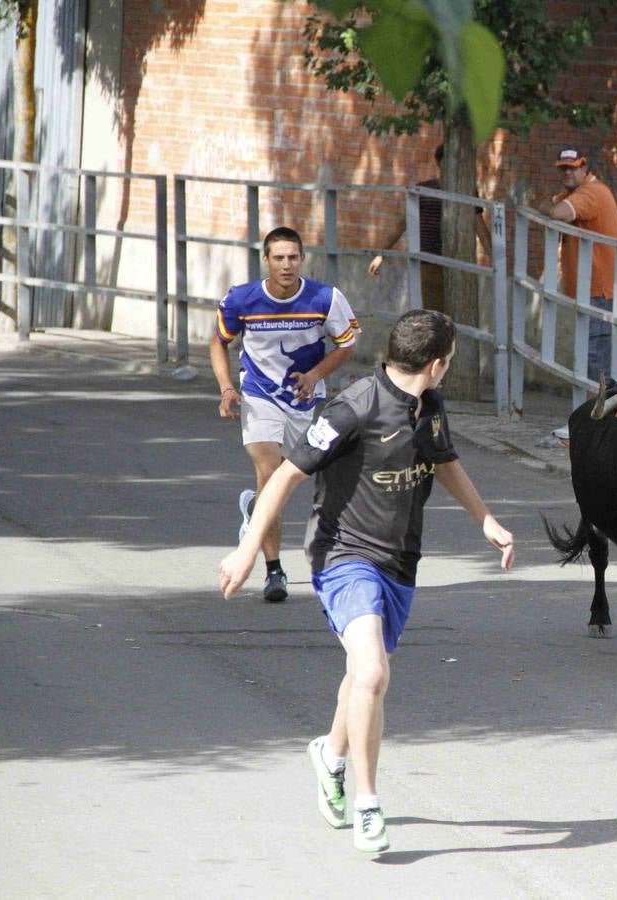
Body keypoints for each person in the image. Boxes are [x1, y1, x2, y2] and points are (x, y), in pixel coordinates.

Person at [217, 310, 516, 854]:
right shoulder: (352, 409)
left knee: (363, 674)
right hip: (344, 555)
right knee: (374, 673)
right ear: (437, 363)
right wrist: (246, 550)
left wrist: (486, 519)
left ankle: (330, 755)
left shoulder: (431, 405)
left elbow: (443, 461)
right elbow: (285, 475)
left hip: (400, 561)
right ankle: (368, 804)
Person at [209, 226, 360, 603]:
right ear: (266, 260)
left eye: (293, 257)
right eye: (278, 258)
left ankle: (254, 510)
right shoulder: (241, 299)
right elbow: (218, 342)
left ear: (302, 258)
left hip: (302, 400)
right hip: (258, 395)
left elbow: (347, 344)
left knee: (282, 482)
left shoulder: (325, 298)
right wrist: (227, 388)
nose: (286, 265)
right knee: (269, 473)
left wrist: (315, 375)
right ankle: (274, 570)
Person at [367, 144, 492, 308]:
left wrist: (495, 261)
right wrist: (381, 254)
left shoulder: (467, 193)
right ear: (440, 164)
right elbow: (401, 224)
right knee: (434, 313)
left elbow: (480, 229)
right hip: (429, 264)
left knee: (455, 313)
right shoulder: (423, 191)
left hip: (457, 264)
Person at [545, 146, 617, 383]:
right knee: (593, 353)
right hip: (596, 287)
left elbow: (557, 212)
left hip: (599, 289)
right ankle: (598, 403)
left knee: (594, 356)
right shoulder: (580, 192)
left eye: (572, 168)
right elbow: (546, 205)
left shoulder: (590, 193)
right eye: (563, 169)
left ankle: (598, 404)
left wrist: (552, 210)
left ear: (584, 168)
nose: (567, 173)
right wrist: (552, 208)